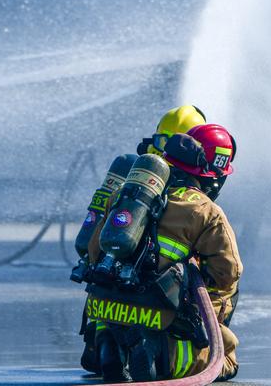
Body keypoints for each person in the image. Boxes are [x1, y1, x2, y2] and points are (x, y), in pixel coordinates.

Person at [86, 123, 242, 382]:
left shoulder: (128, 195)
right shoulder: (206, 211)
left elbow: (94, 252)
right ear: (212, 175)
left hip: (106, 306)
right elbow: (228, 273)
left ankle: (105, 344)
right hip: (159, 311)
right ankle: (160, 356)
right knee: (226, 361)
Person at [77, 104, 207, 375]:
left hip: (103, 279)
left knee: (108, 271)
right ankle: (164, 356)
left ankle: (102, 343)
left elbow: (96, 235)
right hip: (153, 288)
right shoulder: (178, 182)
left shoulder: (134, 170)